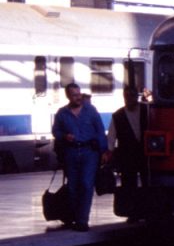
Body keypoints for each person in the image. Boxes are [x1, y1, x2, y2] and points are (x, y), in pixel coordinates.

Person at [52, 83, 106, 232]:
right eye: (74, 95)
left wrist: (104, 151)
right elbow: (55, 131)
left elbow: (100, 131)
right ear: (68, 96)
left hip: (89, 152)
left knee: (86, 184)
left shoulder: (91, 110)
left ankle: (82, 221)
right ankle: (75, 217)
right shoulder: (62, 113)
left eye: (79, 94)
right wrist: (64, 136)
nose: (78, 97)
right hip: (71, 152)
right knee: (73, 187)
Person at [106, 85, 149, 192]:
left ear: (137, 96)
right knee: (129, 184)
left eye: (132, 95)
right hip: (127, 156)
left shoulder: (147, 110)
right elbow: (111, 137)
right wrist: (109, 152)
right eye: (126, 96)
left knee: (148, 182)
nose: (129, 98)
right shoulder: (117, 116)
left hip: (146, 154)